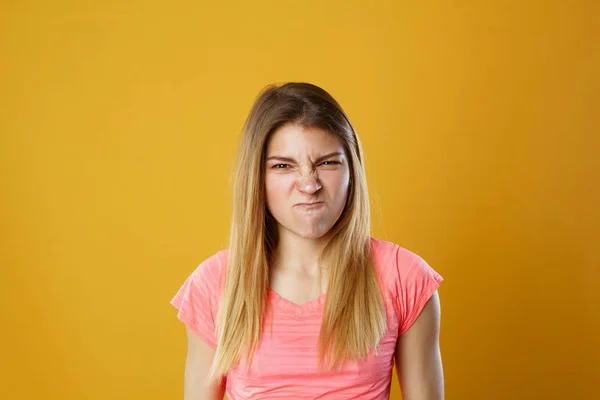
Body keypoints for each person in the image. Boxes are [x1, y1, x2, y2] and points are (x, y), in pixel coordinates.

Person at [170, 82, 444, 399]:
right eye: (283, 166)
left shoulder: (406, 279)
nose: (309, 185)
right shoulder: (213, 284)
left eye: (327, 162)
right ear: (257, 178)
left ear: (352, 170)